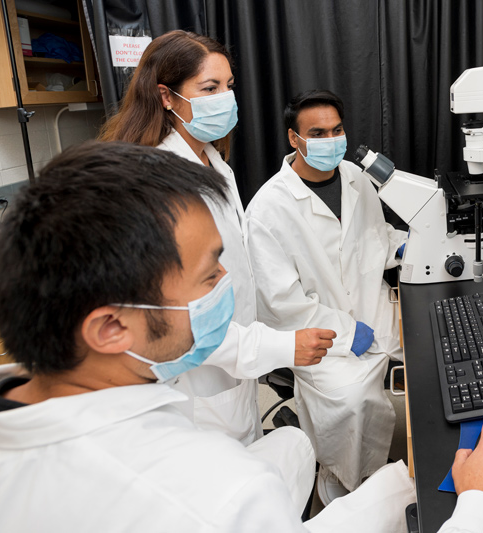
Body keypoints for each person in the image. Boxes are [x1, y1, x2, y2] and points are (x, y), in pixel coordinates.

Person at [0, 142, 483, 533]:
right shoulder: (211, 494)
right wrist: (479, 506)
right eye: (209, 275)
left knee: (292, 445)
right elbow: (221, 506)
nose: (228, 287)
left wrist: (398, 484)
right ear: (110, 328)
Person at [100, 30, 333, 444]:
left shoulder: (213, 162)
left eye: (228, 86)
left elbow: (234, 270)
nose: (225, 98)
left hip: (233, 363)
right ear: (167, 97)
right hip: (194, 381)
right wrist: (278, 348)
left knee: (245, 447)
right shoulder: (160, 183)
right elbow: (182, 316)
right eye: (209, 88)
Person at [247, 90, 408, 502]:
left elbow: (374, 238)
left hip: (378, 310)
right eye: (317, 133)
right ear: (293, 139)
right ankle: (341, 489)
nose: (330, 140)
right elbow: (281, 303)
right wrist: (345, 330)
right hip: (323, 337)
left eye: (337, 130)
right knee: (351, 401)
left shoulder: (354, 176)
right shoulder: (269, 208)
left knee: (436, 362)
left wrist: (408, 246)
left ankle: (414, 466)